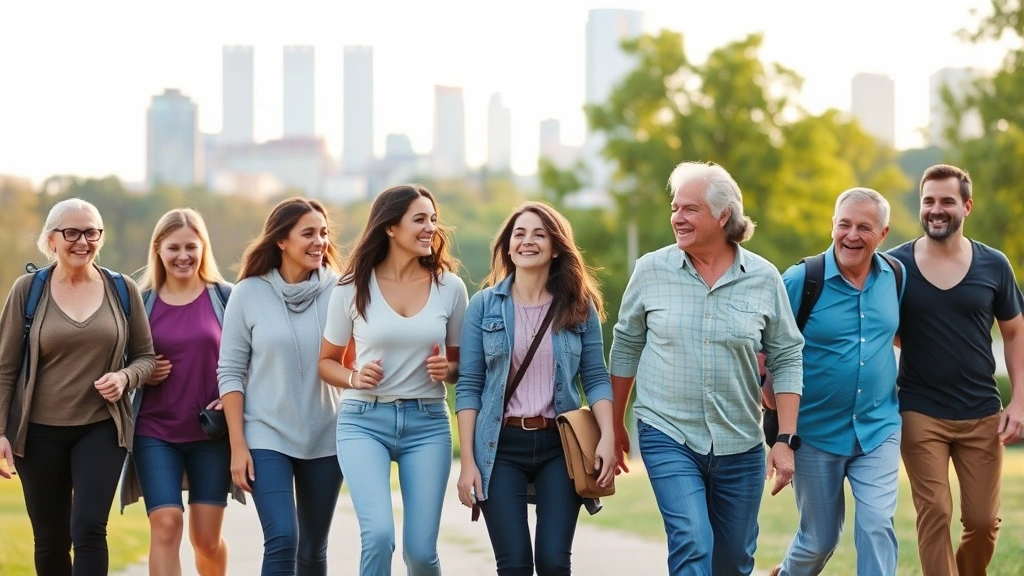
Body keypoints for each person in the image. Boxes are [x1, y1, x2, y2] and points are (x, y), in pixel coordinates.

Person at [608, 161, 804, 576]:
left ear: (723, 216)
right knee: (693, 541)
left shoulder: (764, 278)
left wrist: (785, 439)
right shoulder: (651, 270)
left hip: (741, 442)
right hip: (667, 431)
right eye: (675, 207)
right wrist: (614, 424)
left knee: (733, 562)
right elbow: (625, 346)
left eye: (690, 209)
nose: (677, 217)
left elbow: (786, 357)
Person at [454, 201, 616, 575]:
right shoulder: (484, 306)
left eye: (539, 234)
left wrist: (608, 436)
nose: (528, 241)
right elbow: (469, 387)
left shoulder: (579, 306)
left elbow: (595, 377)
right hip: (500, 447)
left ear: (556, 247)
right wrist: (467, 463)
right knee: (513, 566)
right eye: (519, 234)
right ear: (508, 246)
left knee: (553, 562)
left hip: (560, 447)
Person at [0, 198, 156, 575]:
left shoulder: (122, 290)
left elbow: (146, 358)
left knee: (88, 527)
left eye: (92, 232)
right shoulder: (28, 291)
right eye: (72, 232)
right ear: (51, 239)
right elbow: (4, 368)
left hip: (101, 428)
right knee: (51, 541)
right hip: (37, 433)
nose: (82, 241)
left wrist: (124, 377)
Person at [319, 184, 467, 576]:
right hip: (364, 422)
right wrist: (353, 376)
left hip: (428, 423)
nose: (430, 228)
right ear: (389, 228)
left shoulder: (450, 288)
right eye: (419, 219)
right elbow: (327, 363)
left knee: (419, 552)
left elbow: (461, 367)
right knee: (380, 536)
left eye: (433, 220)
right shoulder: (350, 288)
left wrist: (446, 371)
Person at [889, 164, 1024, 576]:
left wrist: (1018, 401)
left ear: (966, 205)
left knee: (982, 523)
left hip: (981, 412)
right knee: (934, 514)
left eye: (947, 201)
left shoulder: (994, 265)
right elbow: (881, 328)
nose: (936, 209)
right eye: (928, 201)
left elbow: (1015, 333)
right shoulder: (895, 267)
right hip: (919, 411)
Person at [772, 188, 904, 576]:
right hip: (814, 433)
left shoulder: (895, 277)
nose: (851, 235)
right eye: (844, 224)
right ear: (832, 225)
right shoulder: (802, 279)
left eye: (865, 227)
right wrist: (778, 423)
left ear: (883, 234)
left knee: (877, 523)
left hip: (878, 428)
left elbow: (899, 333)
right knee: (819, 540)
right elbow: (768, 349)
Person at [217, 197, 345, 575]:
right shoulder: (248, 293)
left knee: (312, 549)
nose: (319, 241)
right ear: (281, 241)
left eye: (323, 233)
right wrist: (238, 445)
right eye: (308, 233)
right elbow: (230, 372)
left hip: (326, 436)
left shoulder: (341, 291)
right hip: (266, 435)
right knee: (283, 539)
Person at [119, 208, 246, 576]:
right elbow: (117, 361)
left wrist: (237, 394)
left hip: (212, 435)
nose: (183, 256)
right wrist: (141, 372)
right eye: (173, 247)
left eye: (191, 246)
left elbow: (252, 359)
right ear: (158, 249)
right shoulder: (138, 303)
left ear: (203, 248)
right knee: (166, 525)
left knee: (206, 540)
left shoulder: (227, 297)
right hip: (155, 432)